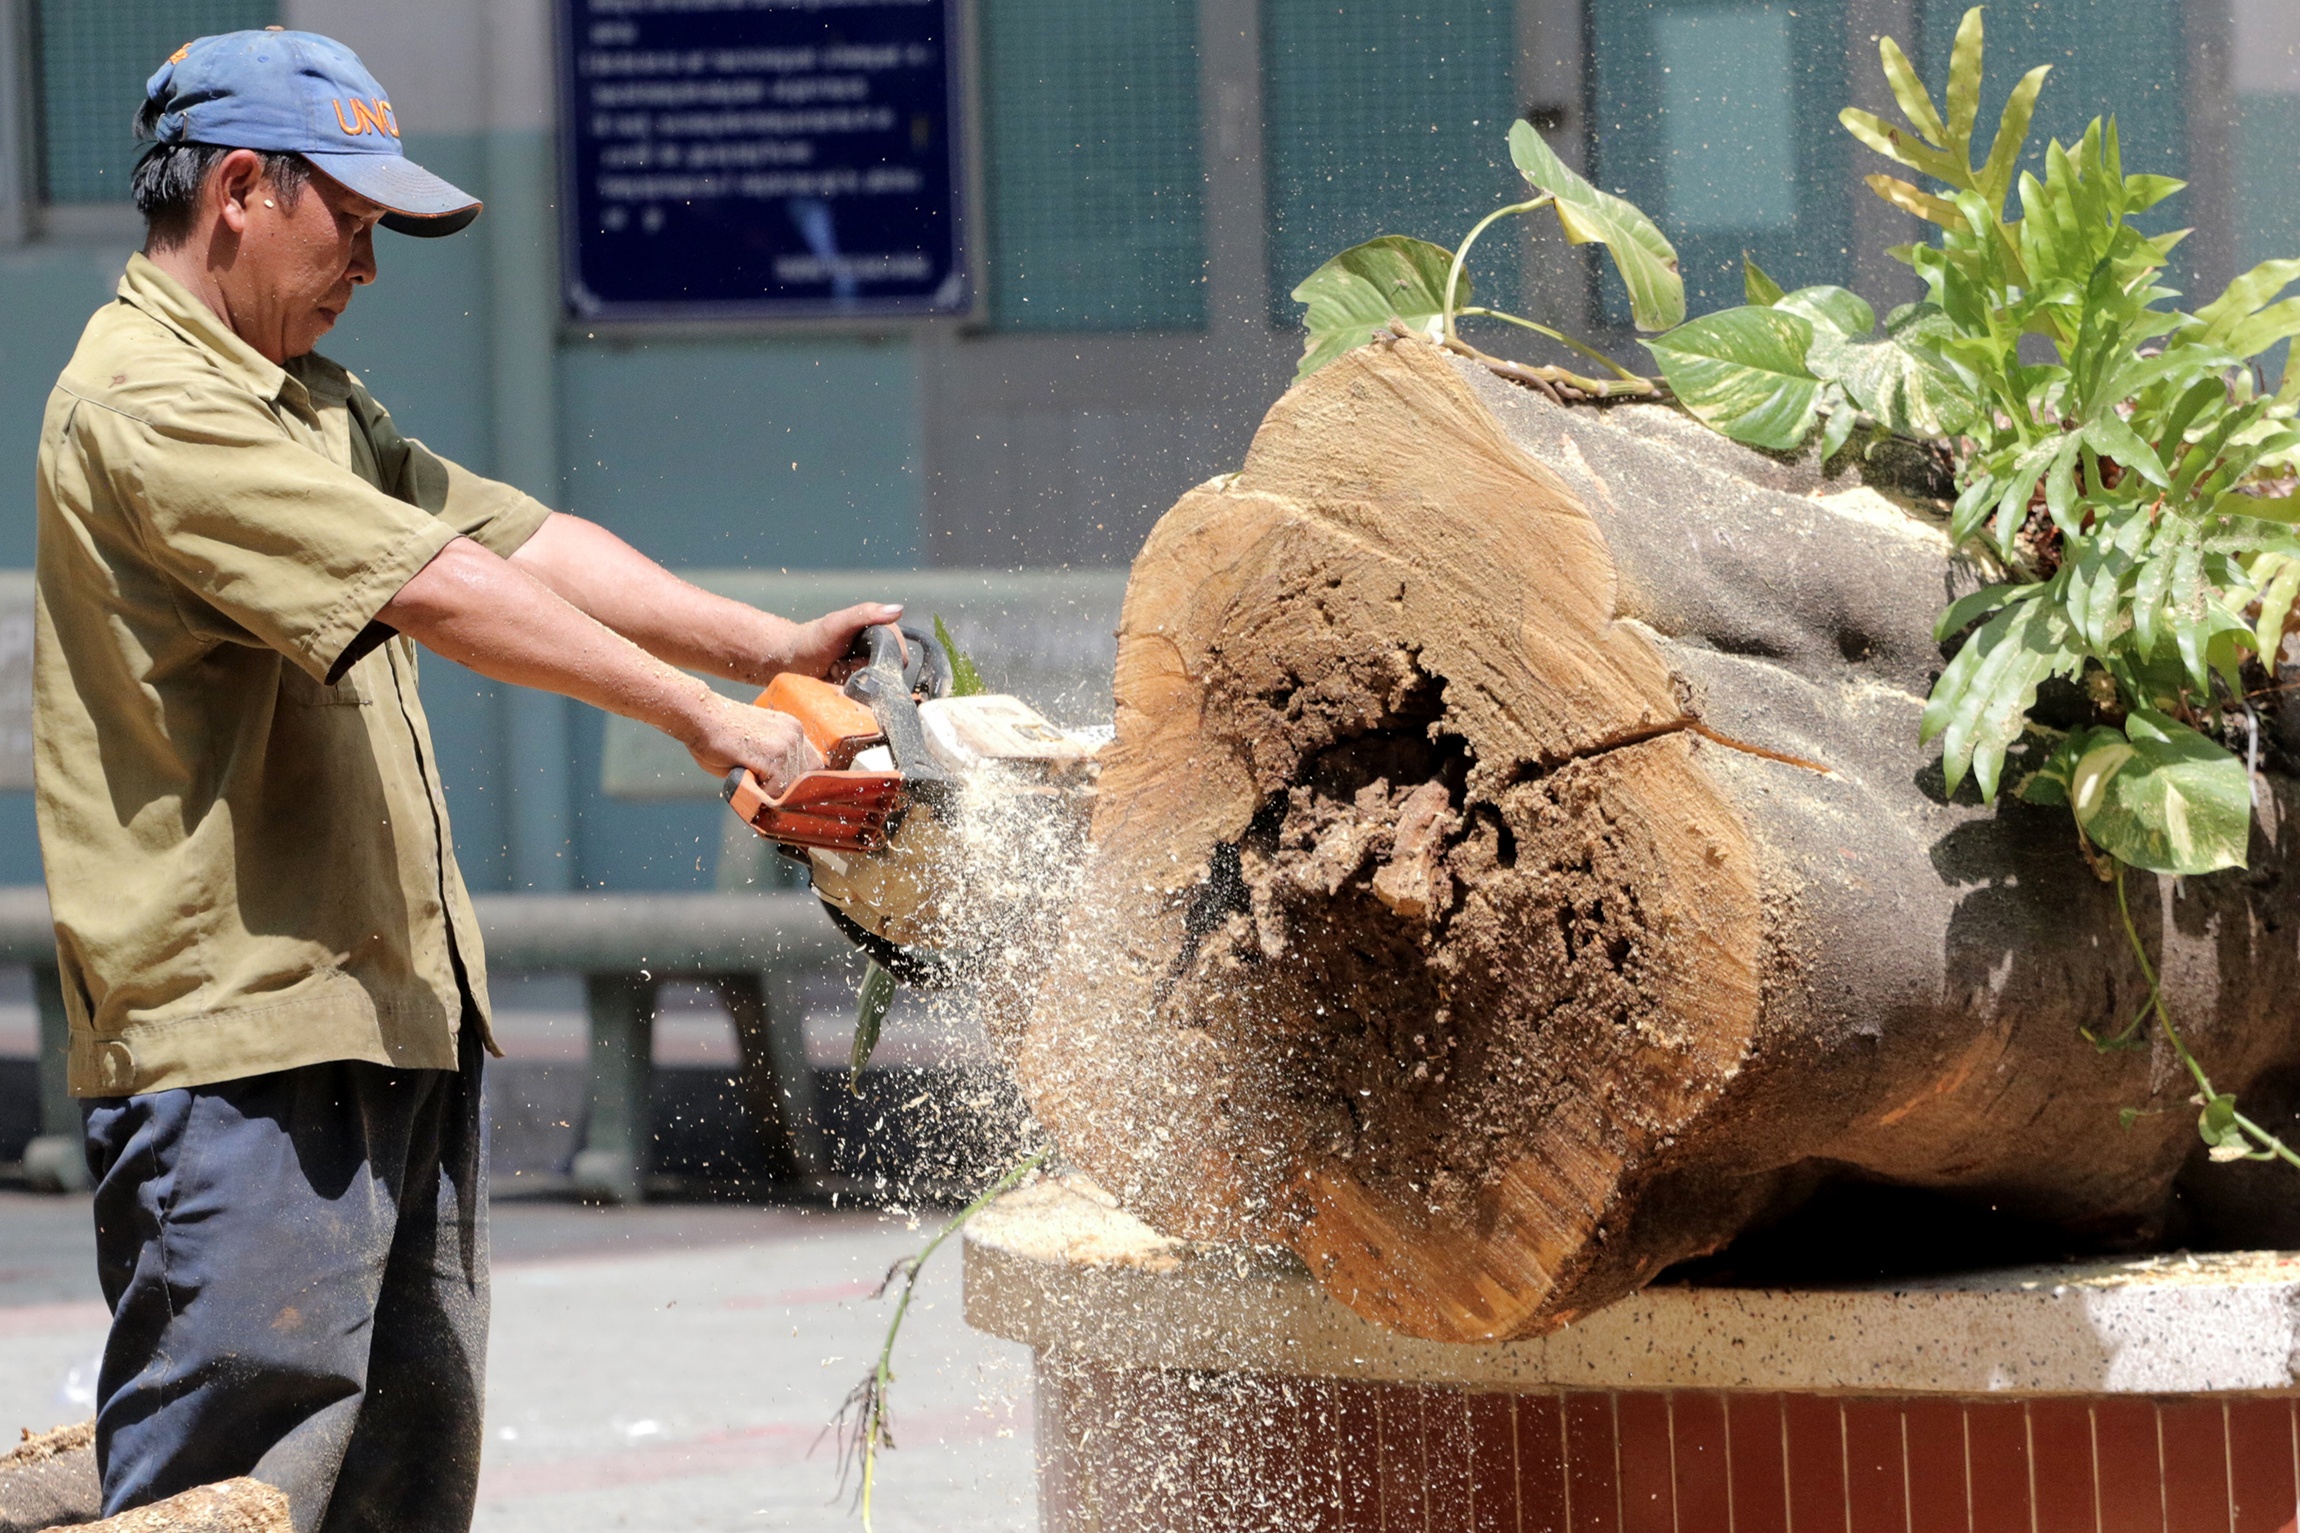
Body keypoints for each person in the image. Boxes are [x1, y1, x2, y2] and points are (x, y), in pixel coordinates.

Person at [33, 29, 892, 1532]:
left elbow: (516, 541)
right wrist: (704, 722)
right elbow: (436, 587)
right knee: (235, 1486)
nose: (367, 265)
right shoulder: (150, 403)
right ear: (240, 187)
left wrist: (773, 648)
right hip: (244, 1053)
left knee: (396, 1486)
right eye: (349, 224)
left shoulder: (302, 396)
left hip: (387, 1014)